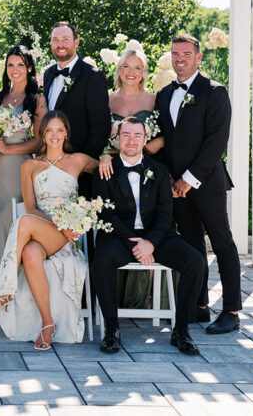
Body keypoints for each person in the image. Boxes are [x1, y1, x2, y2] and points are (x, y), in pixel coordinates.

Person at [0, 111, 89, 350]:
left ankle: (4, 291)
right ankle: (48, 325)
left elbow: (108, 168)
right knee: (30, 252)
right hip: (45, 227)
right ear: (42, 134)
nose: (55, 135)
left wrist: (108, 160)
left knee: (25, 222)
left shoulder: (78, 160)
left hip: (68, 236)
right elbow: (30, 208)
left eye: (59, 130)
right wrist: (55, 223)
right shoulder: (30, 165)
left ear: (66, 132)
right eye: (49, 130)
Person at [90, 116, 203, 356]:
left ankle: (181, 330)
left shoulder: (160, 171)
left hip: (157, 237)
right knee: (102, 259)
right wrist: (136, 242)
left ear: (145, 140)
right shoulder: (105, 170)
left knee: (194, 260)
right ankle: (112, 329)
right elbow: (105, 215)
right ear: (118, 139)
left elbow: (165, 214)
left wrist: (150, 242)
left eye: (137, 135)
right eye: (126, 135)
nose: (131, 140)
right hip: (119, 236)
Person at [154, 34, 242, 334]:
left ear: (198, 57)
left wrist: (189, 181)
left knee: (222, 243)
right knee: (192, 245)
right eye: (175, 54)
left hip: (207, 183)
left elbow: (216, 142)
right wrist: (169, 181)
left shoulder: (214, 92)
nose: (180, 59)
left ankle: (231, 310)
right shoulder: (164, 94)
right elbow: (167, 142)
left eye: (186, 54)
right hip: (175, 187)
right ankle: (199, 305)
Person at [96, 47, 171, 313]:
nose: (131, 72)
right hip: (113, 174)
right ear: (118, 70)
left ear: (144, 72)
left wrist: (155, 145)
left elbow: (170, 133)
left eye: (137, 67)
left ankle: (150, 299)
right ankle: (114, 303)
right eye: (126, 66)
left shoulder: (154, 100)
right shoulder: (106, 100)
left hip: (148, 171)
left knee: (152, 223)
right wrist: (104, 155)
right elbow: (97, 136)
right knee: (116, 225)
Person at [0, 46, 47, 298]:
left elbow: (40, 141)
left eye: (20, 65)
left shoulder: (37, 100)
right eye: (10, 65)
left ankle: (15, 294)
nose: (15, 70)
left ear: (29, 68)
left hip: (18, 169)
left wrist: (10, 149)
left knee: (14, 227)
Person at [40, 22, 109, 198]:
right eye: (55, 40)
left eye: (65, 40)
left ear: (76, 43)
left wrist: (79, 163)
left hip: (79, 172)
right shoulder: (48, 74)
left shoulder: (92, 76)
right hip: (50, 166)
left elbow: (100, 128)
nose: (60, 45)